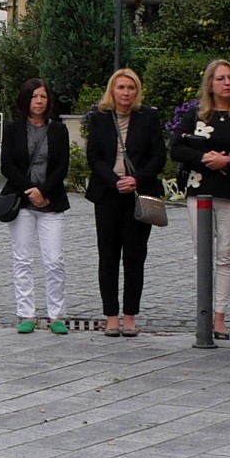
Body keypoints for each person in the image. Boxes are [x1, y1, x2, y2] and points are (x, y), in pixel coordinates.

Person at [83, 67, 161, 338]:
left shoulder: (148, 117)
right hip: (108, 194)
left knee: (135, 256)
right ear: (112, 91)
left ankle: (130, 316)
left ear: (137, 91)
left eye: (131, 88)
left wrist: (135, 179)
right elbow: (93, 157)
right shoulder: (99, 118)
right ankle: (111, 316)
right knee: (108, 256)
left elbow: (158, 156)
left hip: (139, 194)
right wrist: (114, 179)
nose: (126, 92)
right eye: (121, 87)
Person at [185, 59, 230, 339]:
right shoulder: (197, 115)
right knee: (203, 254)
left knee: (226, 256)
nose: (227, 83)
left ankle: (220, 316)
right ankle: (203, 310)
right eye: (220, 78)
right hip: (200, 190)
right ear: (210, 84)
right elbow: (176, 147)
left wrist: (227, 160)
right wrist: (204, 157)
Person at [0, 77, 70, 334]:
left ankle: (57, 315)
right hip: (22, 202)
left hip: (51, 202)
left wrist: (44, 191)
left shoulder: (58, 130)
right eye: (34, 96)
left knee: (54, 260)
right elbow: (7, 164)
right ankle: (26, 313)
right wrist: (31, 191)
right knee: (23, 259)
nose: (39, 101)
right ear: (25, 100)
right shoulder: (14, 128)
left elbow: (62, 166)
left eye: (43, 97)